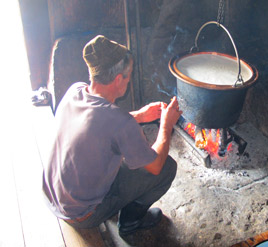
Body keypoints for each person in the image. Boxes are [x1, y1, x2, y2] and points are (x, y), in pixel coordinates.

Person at [42, 35, 182, 236]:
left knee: (121, 157)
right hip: (82, 214)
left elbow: (99, 123)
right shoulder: (120, 123)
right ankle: (131, 222)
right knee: (167, 168)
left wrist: (140, 116)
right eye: (129, 75)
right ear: (119, 80)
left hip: (53, 194)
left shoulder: (76, 91)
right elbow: (156, 165)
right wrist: (166, 125)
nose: (129, 79)